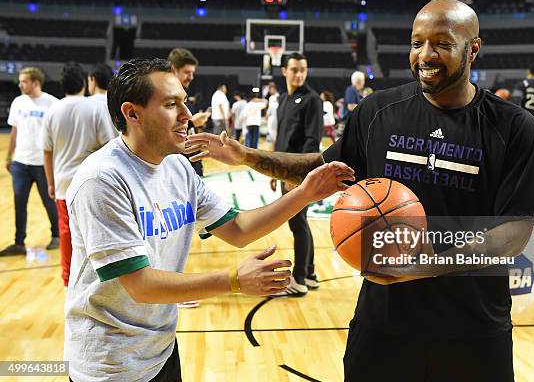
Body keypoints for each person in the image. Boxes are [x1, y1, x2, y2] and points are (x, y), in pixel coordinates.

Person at [185, 0, 534, 381]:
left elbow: (514, 232)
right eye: (417, 43)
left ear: (473, 48)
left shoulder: (513, 127)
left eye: (442, 44)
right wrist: (246, 154)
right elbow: (320, 170)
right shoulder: (379, 111)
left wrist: (423, 266)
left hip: (473, 331)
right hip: (384, 327)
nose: (425, 55)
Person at [64, 58, 354, 381]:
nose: (187, 115)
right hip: (110, 364)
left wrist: (305, 193)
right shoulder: (102, 180)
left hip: (160, 351)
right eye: (171, 105)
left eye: (184, 103)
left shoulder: (177, 168)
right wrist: (233, 281)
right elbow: (140, 285)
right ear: (132, 113)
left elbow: (239, 229)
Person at [41, 63, 116, 285]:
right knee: (97, 231)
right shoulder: (93, 108)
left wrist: (50, 183)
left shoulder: (52, 111)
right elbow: (108, 145)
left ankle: (68, 281)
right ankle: (99, 277)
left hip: (63, 182)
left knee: (66, 232)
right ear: (84, 82)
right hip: (91, 182)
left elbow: (47, 151)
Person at [264, 52, 323, 297]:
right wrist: (273, 169)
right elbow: (282, 139)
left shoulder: (312, 100)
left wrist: (296, 176)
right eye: (295, 70)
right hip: (286, 171)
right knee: (299, 223)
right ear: (284, 71)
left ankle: (298, 280)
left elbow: (312, 141)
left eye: (303, 70)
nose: (299, 74)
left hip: (300, 174)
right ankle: (309, 274)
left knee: (298, 224)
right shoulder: (284, 100)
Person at [1, 67, 60, 258]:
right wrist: (9, 157)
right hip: (20, 162)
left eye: (23, 81)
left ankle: (56, 236)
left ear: (35, 82)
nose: (20, 84)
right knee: (19, 202)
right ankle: (19, 243)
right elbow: (14, 132)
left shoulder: (52, 103)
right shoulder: (18, 102)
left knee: (48, 201)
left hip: (42, 163)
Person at [168, 48, 208, 176]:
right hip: (177, 171)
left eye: (192, 73)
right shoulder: (164, 98)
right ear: (174, 70)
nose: (191, 77)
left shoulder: (186, 95)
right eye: (187, 72)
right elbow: (163, 132)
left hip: (192, 167)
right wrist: (192, 122)